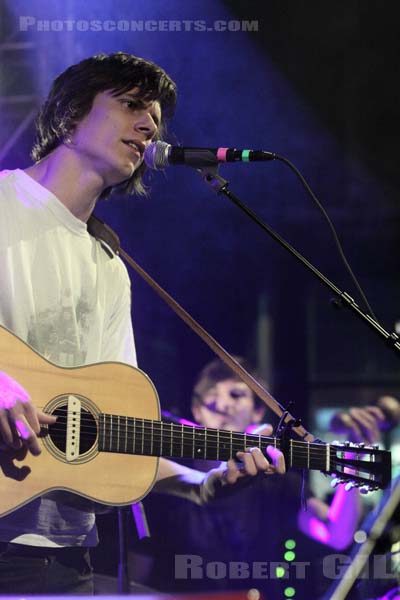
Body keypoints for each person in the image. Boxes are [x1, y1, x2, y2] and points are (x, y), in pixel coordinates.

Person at [0, 53, 285, 595]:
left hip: (65, 561)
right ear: (68, 117)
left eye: (155, 114)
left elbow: (108, 428)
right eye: (131, 104)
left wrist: (202, 484)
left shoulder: (110, 265)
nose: (150, 124)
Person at [134, 357, 388, 597]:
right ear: (196, 411)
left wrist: (351, 462)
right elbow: (137, 573)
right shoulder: (166, 477)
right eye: (212, 395)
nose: (222, 405)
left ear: (257, 412)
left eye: (236, 394)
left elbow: (336, 534)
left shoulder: (274, 479)